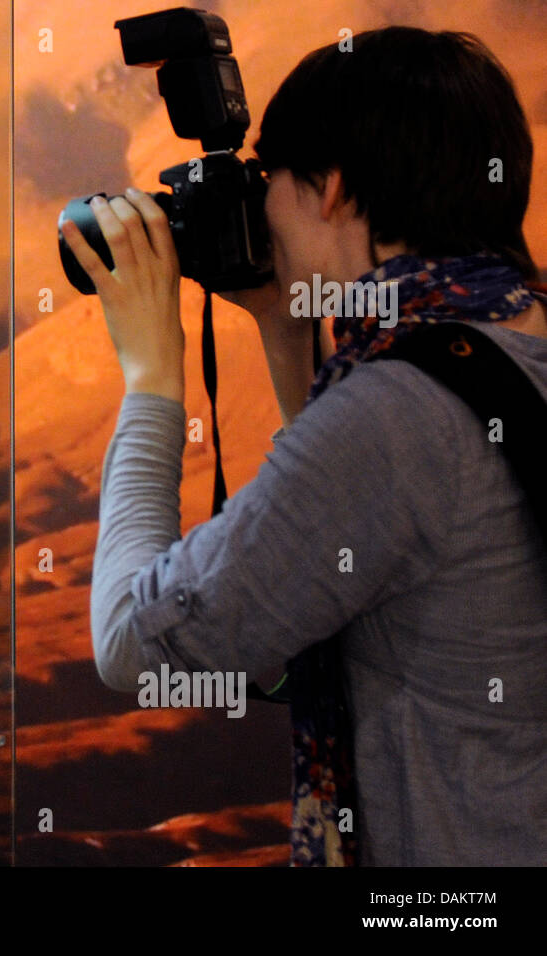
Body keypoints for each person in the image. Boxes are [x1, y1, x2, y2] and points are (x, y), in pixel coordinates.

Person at [66, 27, 547, 865]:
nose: (262, 206)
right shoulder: (503, 336)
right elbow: (364, 538)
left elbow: (132, 645)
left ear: (332, 191)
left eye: (269, 178)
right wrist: (287, 334)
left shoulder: (398, 412)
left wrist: (151, 380)